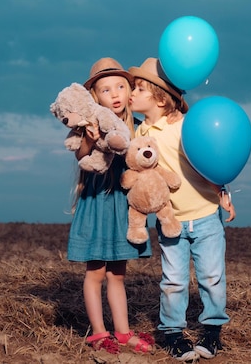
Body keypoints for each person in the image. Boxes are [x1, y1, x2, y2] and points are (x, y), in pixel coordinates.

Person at [128, 57, 236, 361]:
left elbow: (209, 162)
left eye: (138, 88)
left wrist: (223, 192)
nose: (132, 94)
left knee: (212, 277)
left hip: (205, 216)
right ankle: (173, 334)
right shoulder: (140, 135)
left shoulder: (186, 127)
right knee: (173, 281)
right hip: (170, 222)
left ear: (160, 97)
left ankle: (213, 331)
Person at [66, 57, 154, 355]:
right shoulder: (89, 125)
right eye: (106, 89)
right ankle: (99, 333)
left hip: (122, 206)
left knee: (118, 273)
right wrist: (91, 140)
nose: (114, 94)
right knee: (96, 272)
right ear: (95, 96)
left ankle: (123, 332)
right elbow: (80, 155)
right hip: (97, 203)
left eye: (120, 86)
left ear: (129, 92)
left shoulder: (137, 127)